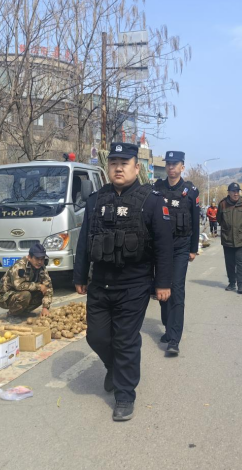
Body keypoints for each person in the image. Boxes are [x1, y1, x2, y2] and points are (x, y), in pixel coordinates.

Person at [73, 142, 173, 422]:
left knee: (126, 340)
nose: (118, 168)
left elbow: (164, 246)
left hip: (134, 284)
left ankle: (125, 395)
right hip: (100, 283)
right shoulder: (96, 200)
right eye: (113, 163)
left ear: (136, 167)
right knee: (96, 336)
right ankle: (114, 368)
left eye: (124, 163)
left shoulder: (152, 201)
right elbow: (85, 241)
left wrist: (163, 283)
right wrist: (79, 275)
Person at [153, 150, 199, 356]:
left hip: (181, 246)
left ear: (182, 167)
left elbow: (195, 221)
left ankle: (174, 339)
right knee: (162, 288)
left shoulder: (190, 191)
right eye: (168, 164)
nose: (171, 167)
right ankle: (167, 327)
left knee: (177, 289)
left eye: (175, 164)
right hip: (161, 248)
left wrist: (193, 249)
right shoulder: (157, 189)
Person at [0, 243, 53, 316]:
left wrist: (45, 307)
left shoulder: (41, 267)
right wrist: (39, 286)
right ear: (29, 257)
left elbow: (48, 287)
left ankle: (23, 312)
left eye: (42, 259)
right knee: (26, 295)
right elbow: (18, 285)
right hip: (5, 296)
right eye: (37, 259)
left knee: (42, 292)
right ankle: (13, 314)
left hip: (20, 292)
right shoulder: (20, 266)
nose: (40, 262)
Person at [218, 182, 242, 294]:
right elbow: (219, 219)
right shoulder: (223, 204)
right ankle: (232, 283)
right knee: (229, 262)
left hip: (241, 237)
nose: (236, 194)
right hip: (227, 237)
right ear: (229, 192)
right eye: (233, 191)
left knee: (240, 262)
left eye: (237, 191)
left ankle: (241, 285)